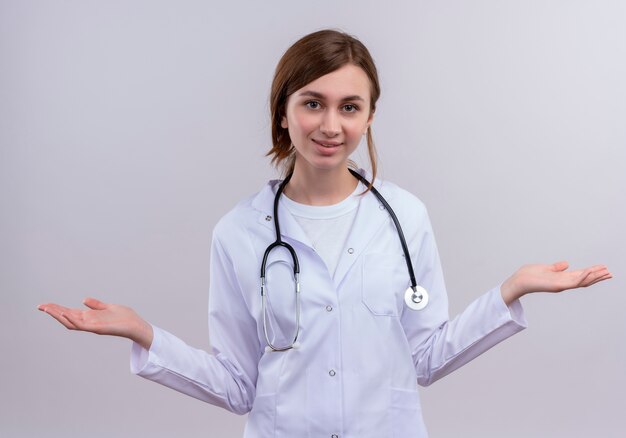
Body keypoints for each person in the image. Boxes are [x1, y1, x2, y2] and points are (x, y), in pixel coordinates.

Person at [38, 30, 612, 437]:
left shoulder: (405, 217)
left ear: (369, 116)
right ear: (283, 111)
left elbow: (427, 358)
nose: (330, 125)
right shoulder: (239, 232)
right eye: (312, 103)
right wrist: (146, 336)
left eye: (349, 106)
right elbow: (239, 387)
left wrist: (508, 291)